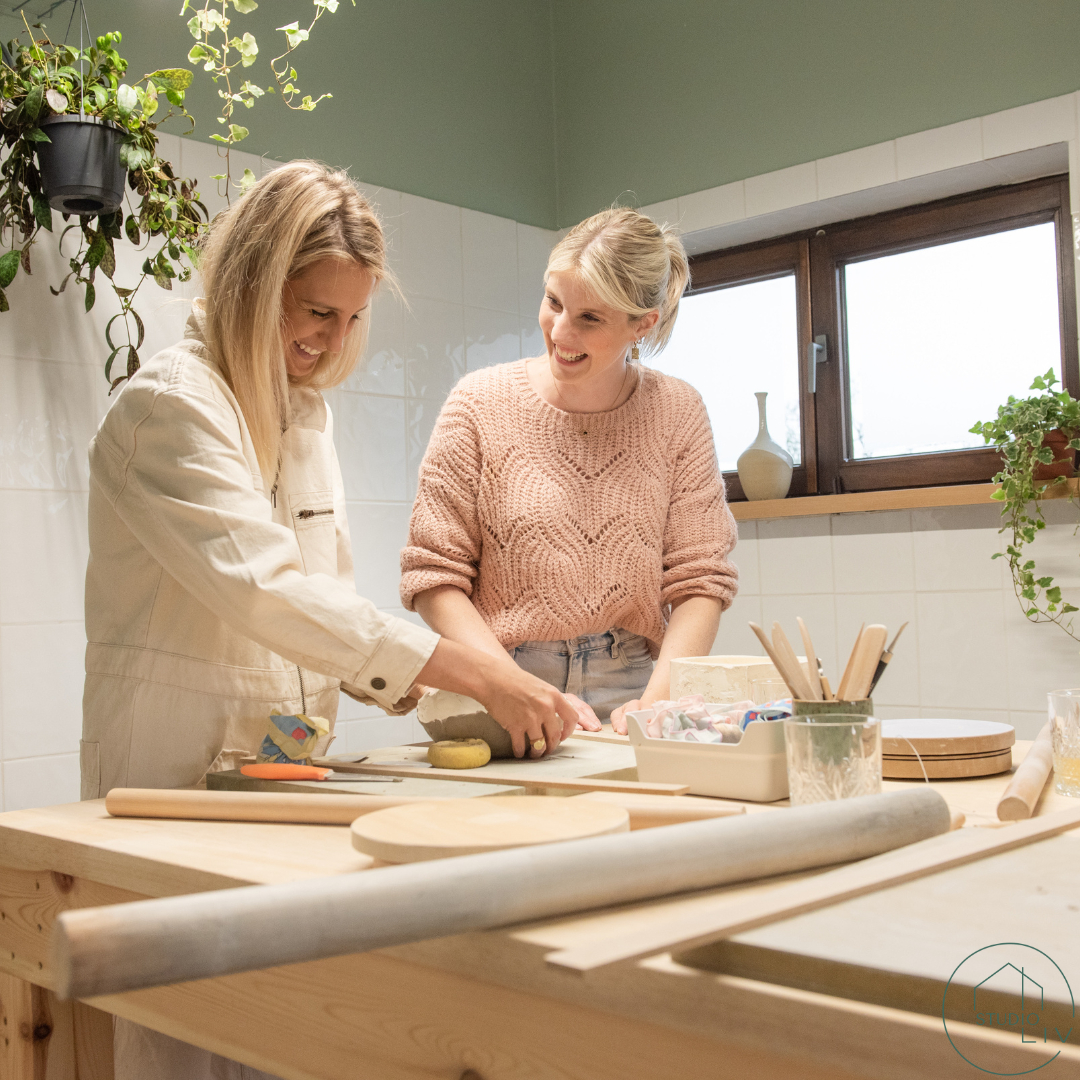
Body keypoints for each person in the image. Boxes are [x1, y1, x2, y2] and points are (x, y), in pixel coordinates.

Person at [82, 160, 576, 1080]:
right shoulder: (166, 409)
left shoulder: (300, 414)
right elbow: (267, 592)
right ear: (251, 282)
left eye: (349, 319)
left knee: (275, 1024)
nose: (330, 340)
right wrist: (476, 671)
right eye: (315, 311)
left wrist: (435, 704)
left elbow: (329, 597)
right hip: (169, 767)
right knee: (180, 1035)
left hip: (278, 765)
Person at [401, 207, 739, 734]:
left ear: (642, 324)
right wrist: (504, 684)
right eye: (554, 302)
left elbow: (700, 579)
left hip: (633, 680)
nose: (560, 331)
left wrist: (656, 701)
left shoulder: (678, 411)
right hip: (497, 681)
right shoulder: (477, 404)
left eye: (590, 318)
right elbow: (432, 575)